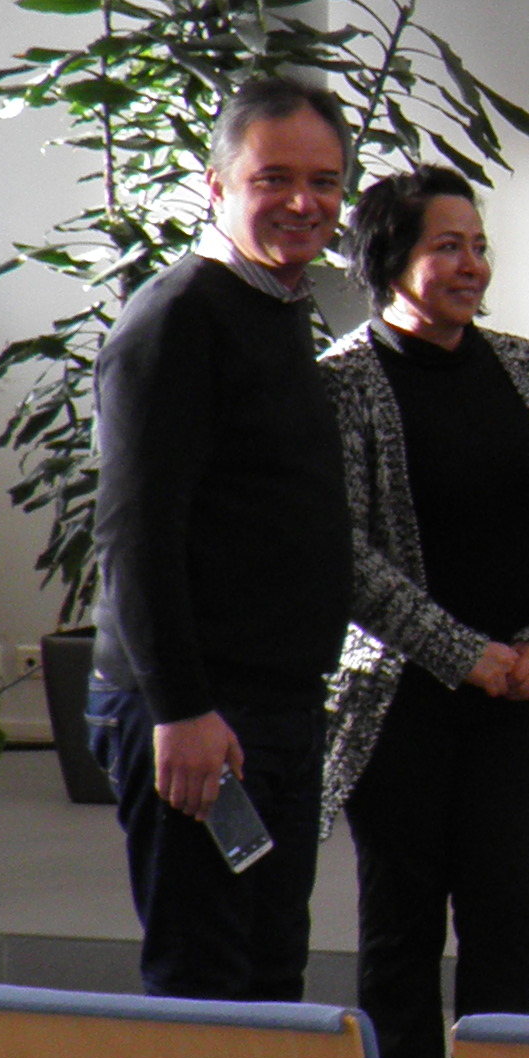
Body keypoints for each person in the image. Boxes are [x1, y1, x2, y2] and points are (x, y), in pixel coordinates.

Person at [320, 168, 529, 1058]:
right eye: (446, 245)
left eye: (478, 245)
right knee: (401, 923)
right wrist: (465, 653)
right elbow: (344, 554)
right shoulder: (343, 382)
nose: (472, 265)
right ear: (390, 258)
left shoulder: (527, 369)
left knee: (505, 920)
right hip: (401, 704)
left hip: (520, 698)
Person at [88, 74, 355, 999]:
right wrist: (182, 709)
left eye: (323, 182)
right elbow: (135, 534)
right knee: (205, 982)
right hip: (203, 716)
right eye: (273, 178)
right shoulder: (177, 319)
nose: (302, 202)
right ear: (216, 185)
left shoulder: (275, 304)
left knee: (270, 969)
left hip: (273, 708)